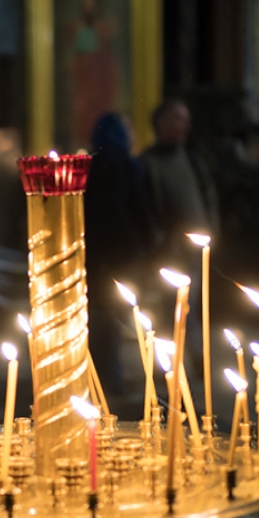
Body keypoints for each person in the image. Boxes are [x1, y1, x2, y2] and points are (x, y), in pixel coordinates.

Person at [138, 97, 219, 379]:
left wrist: (211, 229)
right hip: (167, 251)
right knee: (167, 308)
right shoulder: (148, 163)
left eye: (185, 119)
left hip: (194, 250)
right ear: (160, 123)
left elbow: (207, 196)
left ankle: (194, 358)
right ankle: (168, 365)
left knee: (191, 306)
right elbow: (147, 207)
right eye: (176, 118)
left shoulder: (193, 159)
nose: (182, 126)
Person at [85, 113, 156, 398]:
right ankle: (112, 380)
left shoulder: (90, 167)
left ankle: (96, 377)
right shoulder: (129, 166)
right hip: (122, 254)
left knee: (98, 316)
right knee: (114, 317)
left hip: (94, 254)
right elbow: (141, 210)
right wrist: (146, 245)